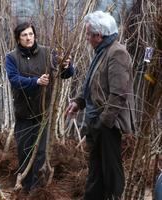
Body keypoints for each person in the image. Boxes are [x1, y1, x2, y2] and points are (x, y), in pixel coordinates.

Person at [65, 11, 135, 200]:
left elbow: (118, 94)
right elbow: (92, 83)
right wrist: (78, 102)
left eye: (88, 34)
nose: (87, 38)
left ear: (99, 35)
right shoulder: (102, 52)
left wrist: (103, 123)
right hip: (97, 121)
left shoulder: (117, 53)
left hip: (108, 125)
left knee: (110, 172)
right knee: (96, 170)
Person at [5, 22, 74, 193]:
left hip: (43, 115)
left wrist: (67, 66)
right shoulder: (12, 57)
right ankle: (25, 189)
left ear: (35, 35)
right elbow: (14, 80)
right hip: (23, 115)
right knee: (24, 152)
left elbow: (64, 74)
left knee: (41, 154)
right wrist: (35, 82)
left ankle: (37, 191)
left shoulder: (48, 53)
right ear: (18, 39)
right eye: (24, 35)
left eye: (31, 34)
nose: (29, 38)